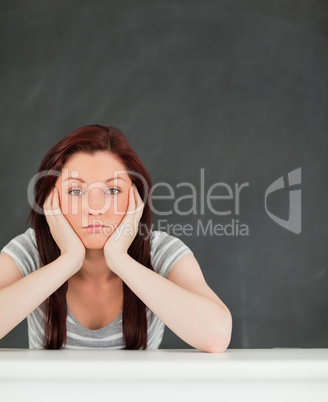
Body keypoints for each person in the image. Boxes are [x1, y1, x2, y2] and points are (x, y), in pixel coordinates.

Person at [0, 124, 232, 352]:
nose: (96, 208)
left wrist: (118, 258)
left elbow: (216, 335)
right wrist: (69, 260)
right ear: (51, 200)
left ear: (135, 200)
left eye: (112, 191)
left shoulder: (160, 251)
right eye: (76, 191)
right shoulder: (31, 250)